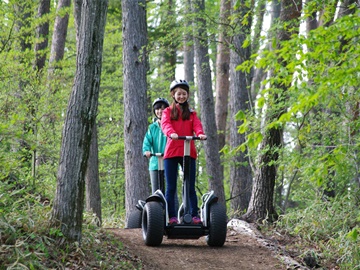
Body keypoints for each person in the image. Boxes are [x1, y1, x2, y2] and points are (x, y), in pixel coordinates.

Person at [161, 79, 207, 225]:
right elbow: (165, 125)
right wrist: (171, 133)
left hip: (188, 153)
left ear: (187, 95)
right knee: (171, 186)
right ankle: (172, 216)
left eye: (184, 94)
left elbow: (197, 125)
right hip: (172, 152)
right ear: (173, 95)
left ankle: (194, 215)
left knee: (190, 185)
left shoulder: (192, 113)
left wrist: (200, 134)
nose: (181, 96)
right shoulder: (167, 111)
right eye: (178, 94)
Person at [142, 98, 179, 209]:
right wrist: (147, 151)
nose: (160, 111)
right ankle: (156, 215)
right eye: (157, 109)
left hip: (170, 161)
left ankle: (173, 216)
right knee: (156, 191)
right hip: (155, 163)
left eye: (163, 109)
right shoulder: (152, 127)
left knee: (171, 190)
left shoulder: (171, 125)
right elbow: (147, 141)